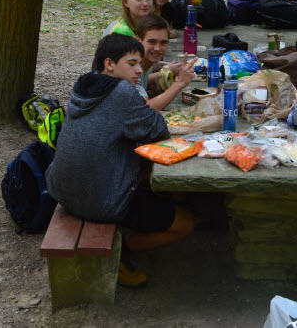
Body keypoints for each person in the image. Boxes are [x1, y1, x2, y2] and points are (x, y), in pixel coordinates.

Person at [45, 34, 194, 287]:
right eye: (132, 63)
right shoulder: (122, 92)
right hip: (102, 201)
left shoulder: (84, 85)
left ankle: (154, 207)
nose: (139, 70)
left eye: (140, 64)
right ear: (109, 64)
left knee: (147, 170)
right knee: (185, 223)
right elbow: (158, 130)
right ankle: (123, 249)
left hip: (62, 190)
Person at [134, 15, 196, 110]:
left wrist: (160, 76)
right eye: (152, 42)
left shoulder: (145, 62)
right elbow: (144, 111)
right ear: (138, 40)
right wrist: (180, 83)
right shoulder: (132, 68)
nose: (157, 48)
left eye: (163, 43)